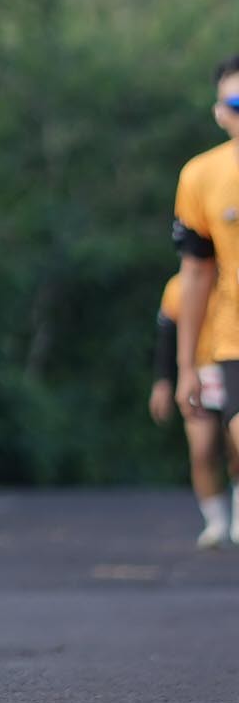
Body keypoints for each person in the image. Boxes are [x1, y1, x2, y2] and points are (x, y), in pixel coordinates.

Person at [170, 54, 239, 546]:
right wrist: (184, 367)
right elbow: (195, 274)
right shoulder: (201, 176)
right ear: (219, 113)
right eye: (236, 104)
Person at [150, 270, 236, 546]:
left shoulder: (231, 280)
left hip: (233, 366)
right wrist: (163, 382)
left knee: (235, 448)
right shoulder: (178, 287)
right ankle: (215, 521)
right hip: (200, 373)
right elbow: (167, 335)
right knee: (202, 450)